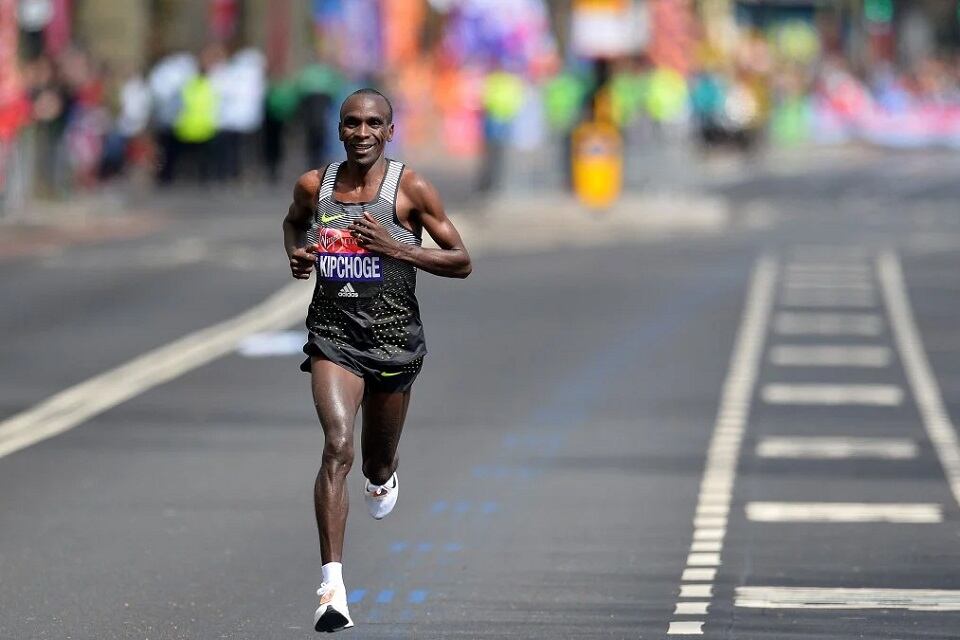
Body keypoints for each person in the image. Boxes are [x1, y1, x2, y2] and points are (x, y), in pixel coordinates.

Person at [282, 88, 472, 633]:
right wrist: (297, 255)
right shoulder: (314, 186)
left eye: (373, 124)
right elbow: (293, 223)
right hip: (333, 335)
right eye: (351, 124)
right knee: (336, 446)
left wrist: (396, 248)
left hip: (393, 341)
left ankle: (382, 477)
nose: (361, 133)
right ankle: (332, 588)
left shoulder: (409, 187)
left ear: (390, 131)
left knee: (374, 461)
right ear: (338, 130)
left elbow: (461, 261)